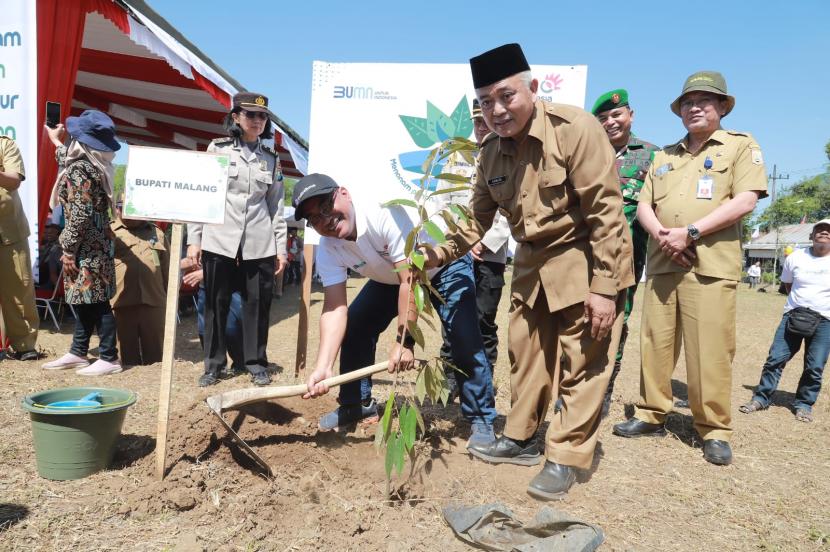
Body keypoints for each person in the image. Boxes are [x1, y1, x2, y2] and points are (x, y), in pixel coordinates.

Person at [424, 43, 634, 500]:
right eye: (485, 102)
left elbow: (606, 211)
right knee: (527, 355)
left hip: (582, 255)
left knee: (583, 360)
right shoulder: (490, 154)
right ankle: (519, 437)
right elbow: (475, 220)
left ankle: (564, 457)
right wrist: (438, 253)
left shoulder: (575, 128)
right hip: (530, 262)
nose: (497, 110)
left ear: (533, 89)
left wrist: (605, 286)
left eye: (506, 96)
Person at [612, 71, 768, 466]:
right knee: (655, 346)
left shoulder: (739, 146)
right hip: (665, 264)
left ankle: (713, 429)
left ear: (722, 107)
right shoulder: (665, 156)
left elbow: (747, 199)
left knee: (710, 352)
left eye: (704, 100)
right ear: (679, 111)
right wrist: (666, 237)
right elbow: (644, 205)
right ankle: (651, 413)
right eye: (687, 102)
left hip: (710, 266)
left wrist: (691, 232)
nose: (694, 107)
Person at [296, 174, 497, 446]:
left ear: (343, 194)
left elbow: (410, 279)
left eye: (324, 207)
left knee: (463, 336)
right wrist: (323, 367)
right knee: (356, 325)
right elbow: (334, 308)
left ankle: (481, 418)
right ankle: (355, 404)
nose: (324, 220)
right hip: (393, 277)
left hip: (441, 267)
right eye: (314, 219)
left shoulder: (382, 213)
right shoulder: (329, 248)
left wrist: (403, 341)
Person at [186, 92, 288, 387]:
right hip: (220, 240)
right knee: (215, 303)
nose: (257, 120)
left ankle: (255, 362)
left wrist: (281, 248)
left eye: (262, 116)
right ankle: (214, 365)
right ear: (235, 117)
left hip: (259, 242)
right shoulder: (217, 149)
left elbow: (276, 207)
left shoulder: (271, 159)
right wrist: (196, 239)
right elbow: (202, 198)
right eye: (250, 115)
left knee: (258, 304)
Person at [591, 89, 660, 417]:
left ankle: (605, 388)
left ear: (630, 115)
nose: (610, 123)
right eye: (603, 119)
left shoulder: (652, 156)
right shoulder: (588, 152)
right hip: (585, 254)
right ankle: (576, 385)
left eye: (616, 116)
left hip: (628, 259)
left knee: (617, 320)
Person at [42, 110, 122, 375]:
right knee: (83, 298)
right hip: (96, 241)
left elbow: (79, 213)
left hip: (84, 244)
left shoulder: (80, 169)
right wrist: (56, 141)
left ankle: (109, 357)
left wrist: (67, 248)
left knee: (96, 301)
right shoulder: (93, 164)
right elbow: (67, 160)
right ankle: (78, 351)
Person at [439, 99, 511, 393]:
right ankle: (450, 377)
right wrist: (462, 242)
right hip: (457, 252)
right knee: (452, 314)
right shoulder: (456, 158)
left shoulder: (508, 154)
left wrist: (483, 241)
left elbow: (511, 207)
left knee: (484, 319)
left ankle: (483, 380)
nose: (482, 127)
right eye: (477, 122)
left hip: (490, 253)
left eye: (486, 121)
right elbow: (443, 204)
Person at [739, 220, 830, 423]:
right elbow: (787, 284)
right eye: (819, 229)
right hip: (794, 315)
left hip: (825, 321)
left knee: (814, 366)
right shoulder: (796, 257)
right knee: (775, 359)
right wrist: (800, 305)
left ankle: (804, 405)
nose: (824, 232)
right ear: (811, 235)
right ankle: (761, 398)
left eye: (828, 230)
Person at [111, 201, 169, 365]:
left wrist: (170, 298)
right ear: (117, 209)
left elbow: (167, 269)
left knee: (156, 359)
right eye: (125, 209)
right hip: (122, 302)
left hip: (153, 301)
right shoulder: (109, 232)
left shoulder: (157, 233)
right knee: (126, 359)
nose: (130, 213)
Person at [0, 135, 39, 361]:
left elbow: (14, 180)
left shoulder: (5, 144)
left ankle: (24, 345)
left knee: (19, 289)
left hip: (10, 231)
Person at [180, 255, 245, 375]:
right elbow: (188, 260)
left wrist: (205, 272)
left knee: (231, 329)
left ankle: (241, 363)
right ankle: (214, 368)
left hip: (229, 286)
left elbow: (237, 261)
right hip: (206, 288)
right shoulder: (196, 238)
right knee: (204, 330)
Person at [37, 223, 64, 291]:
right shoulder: (47, 245)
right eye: (47, 233)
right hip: (43, 276)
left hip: (48, 280)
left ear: (58, 235)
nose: (48, 235)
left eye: (51, 233)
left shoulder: (57, 248)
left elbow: (57, 269)